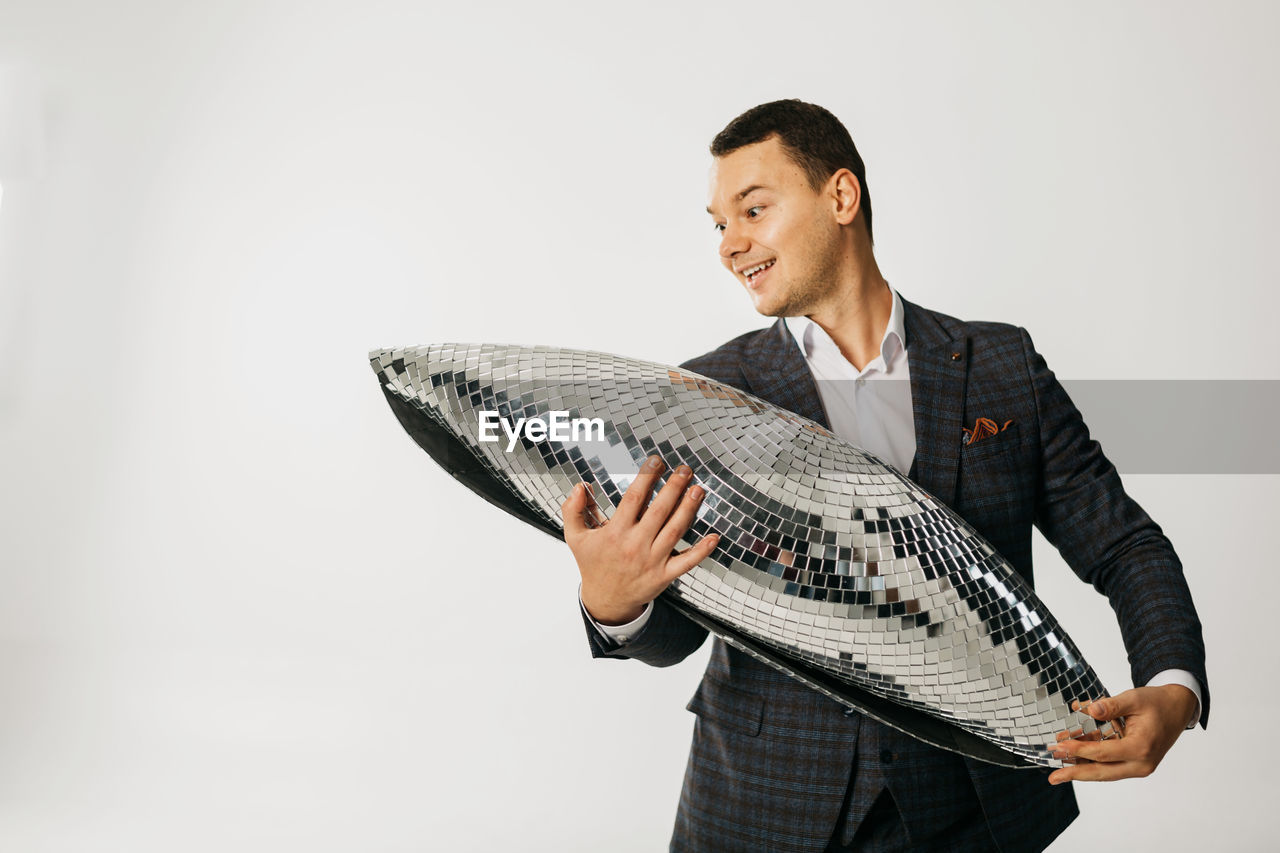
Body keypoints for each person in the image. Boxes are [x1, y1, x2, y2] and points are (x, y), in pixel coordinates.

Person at [560, 99, 1208, 852]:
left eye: (753, 210)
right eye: (718, 224)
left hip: (975, 810)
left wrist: (1174, 687)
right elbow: (675, 629)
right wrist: (614, 606)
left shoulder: (1001, 367)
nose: (729, 244)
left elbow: (1122, 544)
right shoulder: (706, 397)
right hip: (764, 810)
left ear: (840, 197)